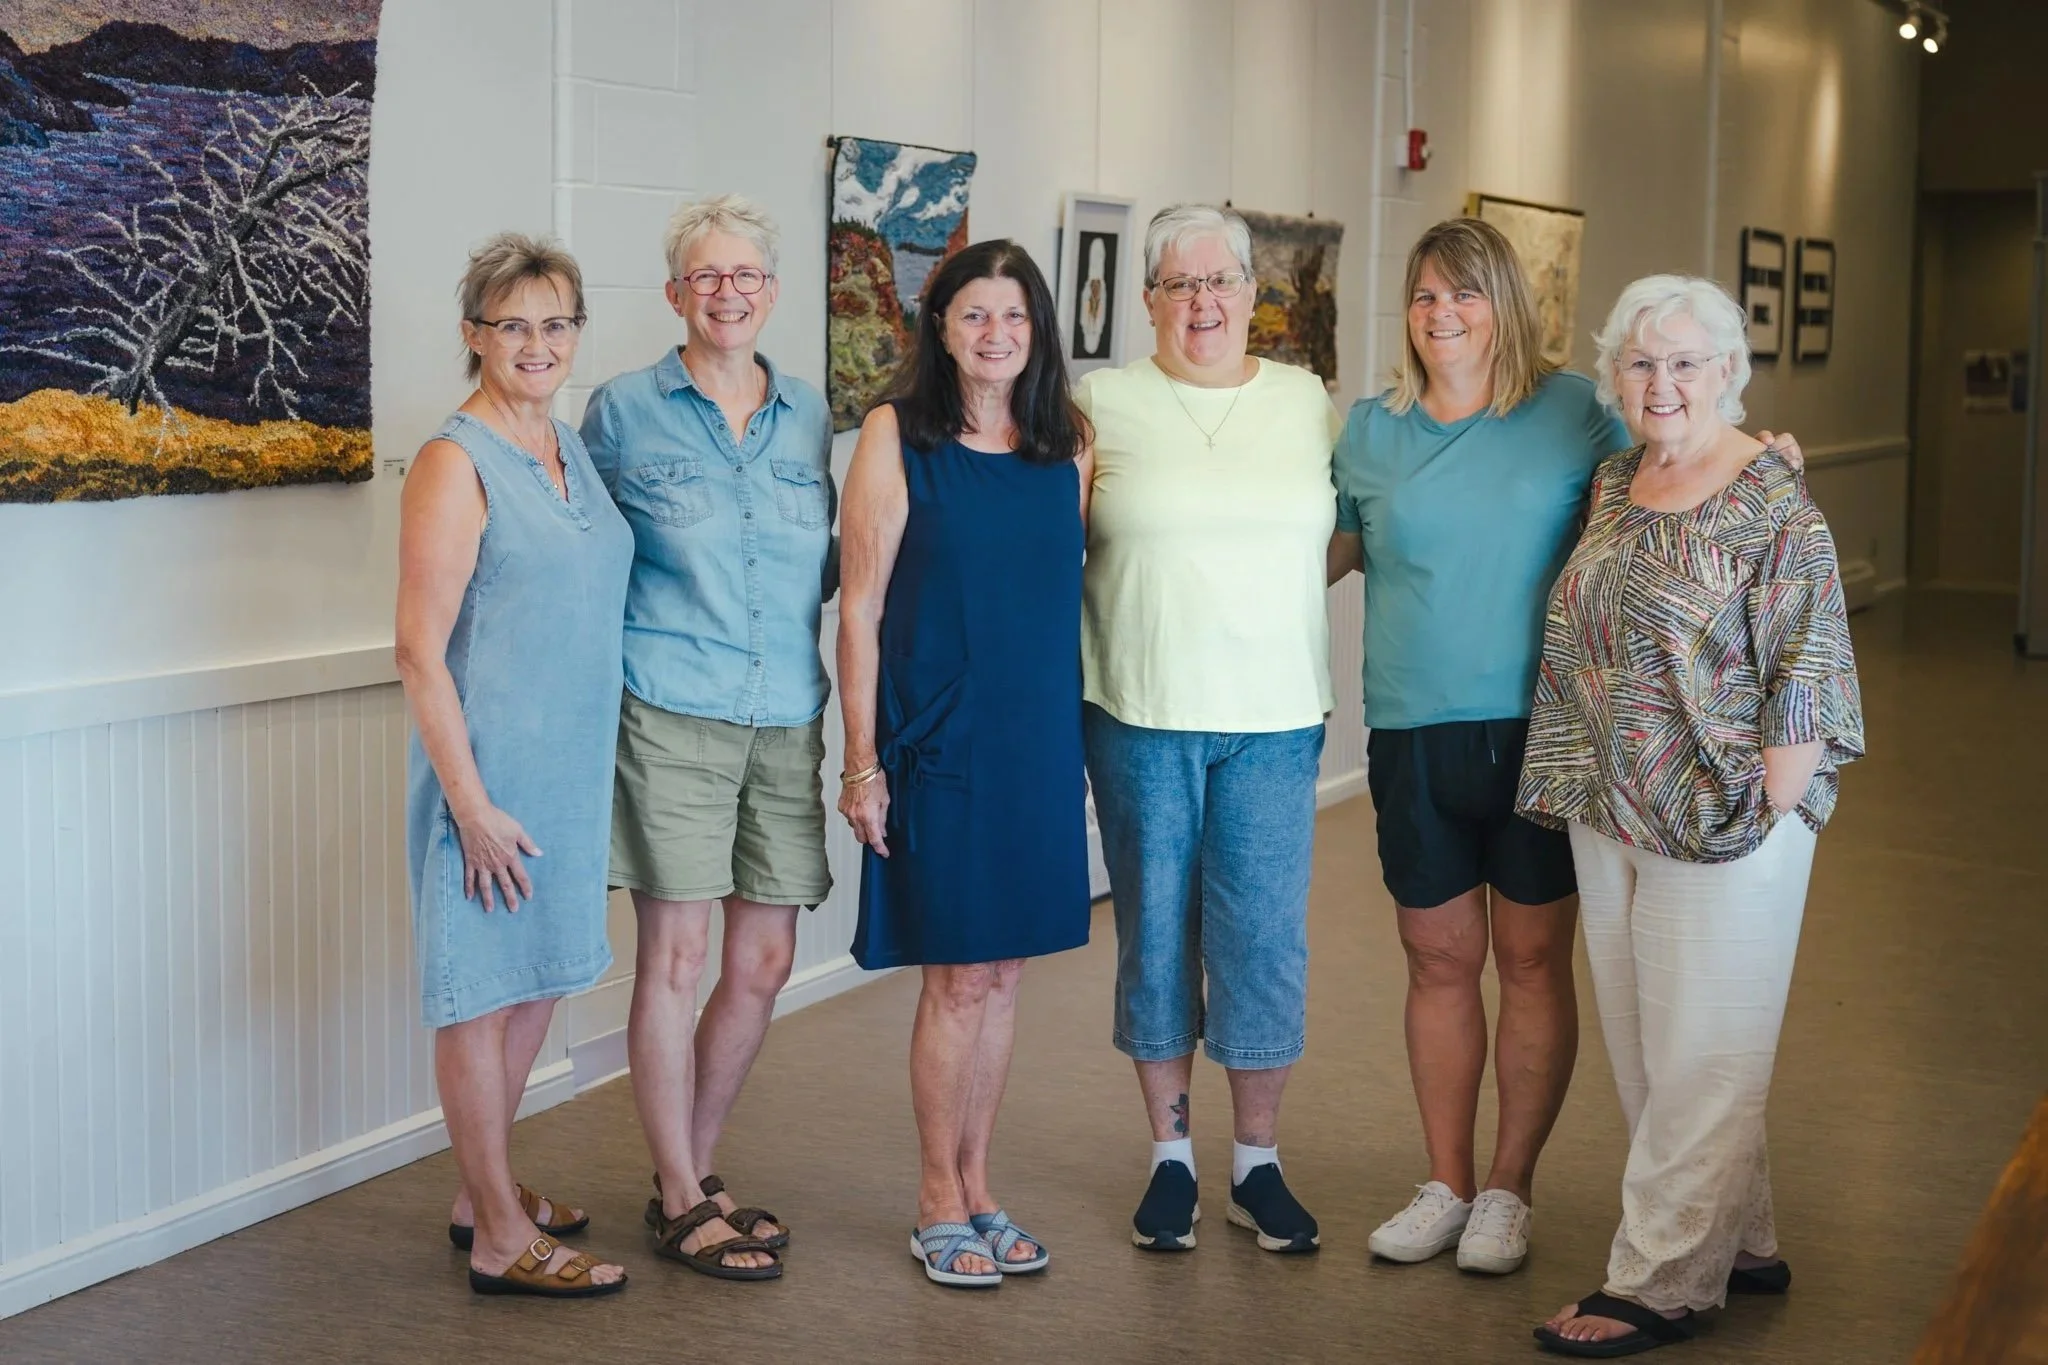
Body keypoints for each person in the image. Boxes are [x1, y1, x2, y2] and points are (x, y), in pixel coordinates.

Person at [1327, 220, 1802, 1276]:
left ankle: (1507, 1191)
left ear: (1505, 303)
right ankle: (1445, 1183)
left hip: (1546, 733)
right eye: (1424, 295)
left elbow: (1679, 456)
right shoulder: (1366, 430)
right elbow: (1316, 552)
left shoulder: (1574, 413)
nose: (1442, 313)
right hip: (1408, 732)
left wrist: (1762, 456)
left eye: (1465, 293)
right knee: (1436, 959)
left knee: (1531, 961)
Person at [1519, 275, 1862, 1356]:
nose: (1659, 381)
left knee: (1705, 1049)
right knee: (1649, 1049)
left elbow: (1808, 661)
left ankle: (1660, 1280)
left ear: (1727, 373)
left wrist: (1764, 809)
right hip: (1608, 796)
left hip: (1726, 813)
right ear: (1615, 375)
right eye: (1639, 361)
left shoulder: (1773, 498)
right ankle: (1740, 1241)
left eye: (1683, 362)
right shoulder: (1616, 480)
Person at [579, 194, 836, 1282]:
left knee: (764, 960)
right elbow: (577, 553)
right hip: (670, 708)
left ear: (771, 293)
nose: (727, 293)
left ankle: (690, 1166)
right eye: (706, 276)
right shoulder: (622, 411)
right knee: (676, 958)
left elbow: (838, 564)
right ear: (675, 293)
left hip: (785, 713)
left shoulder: (812, 415)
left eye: (746, 276)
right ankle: (683, 1196)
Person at [1078, 203, 1340, 1257]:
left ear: (1251, 293)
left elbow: (1360, 526)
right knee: (1154, 935)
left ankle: (1257, 1164)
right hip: (1139, 713)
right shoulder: (1100, 402)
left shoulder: (1306, 402)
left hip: (1275, 718)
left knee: (1262, 940)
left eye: (1220, 280)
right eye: (1180, 283)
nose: (1202, 301)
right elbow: (1042, 538)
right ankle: (1172, 1159)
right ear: (1147, 299)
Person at [838, 239, 1093, 1289]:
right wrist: (861, 764)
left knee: (1005, 970)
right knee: (956, 974)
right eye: (974, 313)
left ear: (1038, 330)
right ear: (938, 327)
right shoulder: (896, 435)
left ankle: (980, 1185)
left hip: (1038, 743)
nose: (996, 333)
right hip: (940, 740)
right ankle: (935, 1199)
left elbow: (1055, 599)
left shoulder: (1069, 443)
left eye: (1014, 315)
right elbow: (858, 609)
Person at [396, 233, 631, 1299]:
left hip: (569, 774)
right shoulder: (456, 462)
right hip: (487, 781)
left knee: (535, 980)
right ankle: (497, 1232)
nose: (538, 343)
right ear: (474, 335)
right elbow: (418, 650)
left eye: (556, 323)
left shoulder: (564, 442)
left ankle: (478, 1191)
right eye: (513, 325)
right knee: (479, 998)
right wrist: (471, 806)